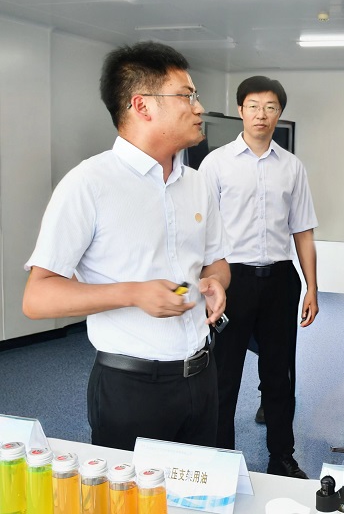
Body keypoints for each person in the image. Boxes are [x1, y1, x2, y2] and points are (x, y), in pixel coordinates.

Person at [22, 41, 230, 451]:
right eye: (187, 96)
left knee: (198, 485)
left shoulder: (198, 183)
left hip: (202, 375)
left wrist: (216, 283)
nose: (199, 108)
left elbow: (216, 262)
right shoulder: (88, 184)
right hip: (131, 387)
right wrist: (133, 294)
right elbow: (38, 298)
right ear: (142, 105)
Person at [199, 76, 318, 478]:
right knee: (224, 375)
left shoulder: (292, 167)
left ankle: (282, 456)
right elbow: (201, 230)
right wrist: (206, 284)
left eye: (270, 107)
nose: (261, 114)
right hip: (231, 279)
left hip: (281, 280)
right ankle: (221, 461)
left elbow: (303, 231)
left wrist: (312, 287)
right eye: (253, 106)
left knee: (280, 375)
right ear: (240, 110)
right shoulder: (216, 164)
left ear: (279, 113)